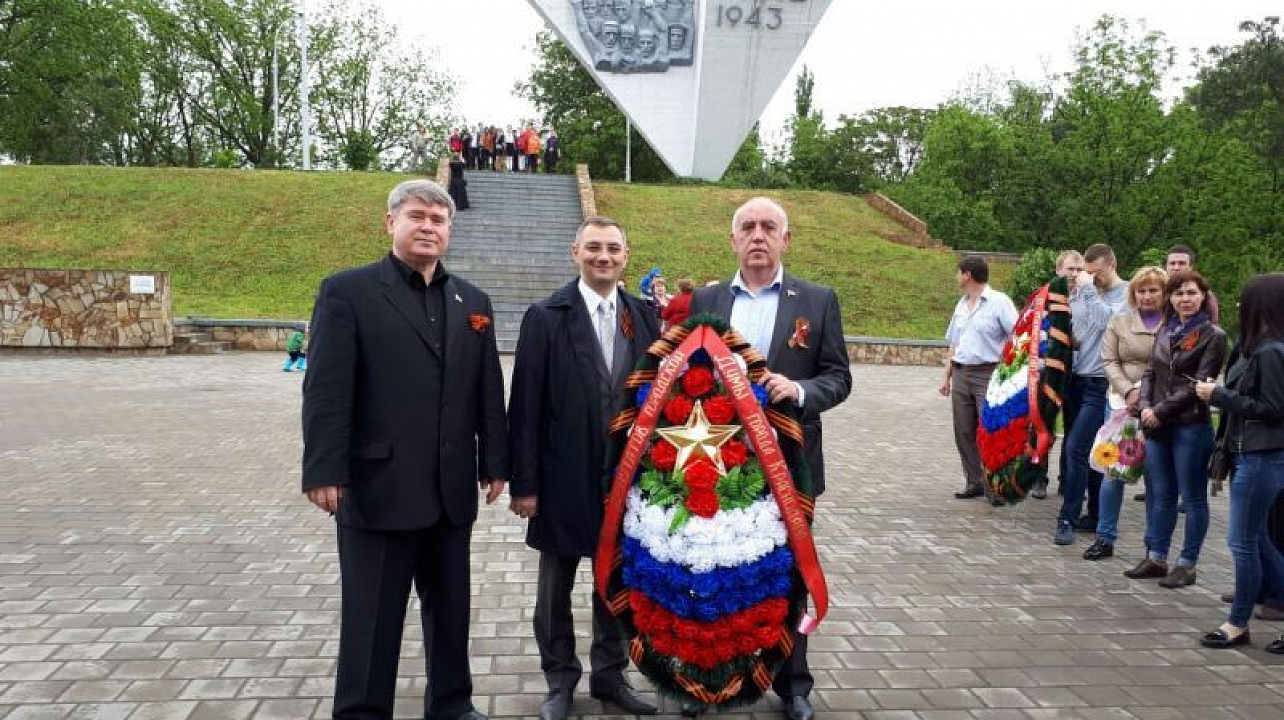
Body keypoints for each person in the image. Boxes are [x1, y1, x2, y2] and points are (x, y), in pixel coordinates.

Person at [301, 179, 507, 720]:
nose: (428, 227)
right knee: (371, 618)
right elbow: (326, 388)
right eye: (417, 216)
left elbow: (488, 388)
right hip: (379, 488)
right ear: (390, 223)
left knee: (450, 612)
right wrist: (325, 468)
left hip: (449, 490)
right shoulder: (349, 292)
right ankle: (362, 712)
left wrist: (496, 464)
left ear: (449, 232)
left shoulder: (473, 301)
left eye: (439, 220)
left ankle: (452, 705)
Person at [689, 197, 852, 720]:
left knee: (790, 574)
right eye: (747, 227)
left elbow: (838, 377)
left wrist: (799, 391)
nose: (758, 235)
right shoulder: (706, 300)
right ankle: (705, 679)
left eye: (769, 227)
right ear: (733, 238)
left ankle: (793, 684)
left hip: (791, 464)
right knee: (712, 570)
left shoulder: (819, 300)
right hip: (720, 464)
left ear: (787, 239)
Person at [508, 216, 661, 720]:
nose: (603, 257)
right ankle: (559, 679)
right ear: (576, 252)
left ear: (626, 255)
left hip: (625, 481)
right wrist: (524, 484)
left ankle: (610, 677)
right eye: (593, 247)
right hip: (560, 480)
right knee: (555, 590)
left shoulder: (644, 318)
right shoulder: (547, 315)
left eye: (613, 249)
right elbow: (525, 404)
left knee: (615, 585)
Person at [1122, 270, 1227, 588]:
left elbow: (1200, 383)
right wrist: (1143, 406)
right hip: (1157, 424)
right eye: (1179, 293)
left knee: (1193, 498)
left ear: (1203, 298)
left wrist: (1160, 412)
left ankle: (1187, 564)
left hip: (1189, 426)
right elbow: (1151, 373)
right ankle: (1156, 557)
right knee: (1162, 495)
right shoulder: (1166, 329)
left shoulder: (1214, 336)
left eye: (1192, 293)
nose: (1185, 299)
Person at [1197, 276, 1284, 647]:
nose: (1237, 308)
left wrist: (1218, 395)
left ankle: (1237, 623)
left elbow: (1273, 409)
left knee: (1243, 542)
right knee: (1259, 540)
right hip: (1249, 454)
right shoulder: (1256, 348)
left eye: (1244, 301)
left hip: (1262, 457)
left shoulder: (1272, 352)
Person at [1083, 266, 1167, 561]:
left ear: (1164, 293)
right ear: (1133, 294)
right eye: (1141, 290)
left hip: (1159, 408)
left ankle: (1154, 545)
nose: (1147, 296)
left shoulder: (1174, 325)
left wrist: (1146, 397)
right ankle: (1105, 537)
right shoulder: (1119, 321)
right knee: (1113, 474)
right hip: (1121, 404)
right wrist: (1130, 392)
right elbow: (1109, 360)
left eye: (1153, 290)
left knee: (1157, 479)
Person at [1054, 244, 1129, 546]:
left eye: (1094, 272)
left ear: (1111, 264)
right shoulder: (1085, 292)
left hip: (1102, 384)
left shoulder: (1126, 295)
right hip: (1077, 378)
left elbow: (1106, 323)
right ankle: (1095, 512)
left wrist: (1086, 291)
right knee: (1088, 448)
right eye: (1087, 272)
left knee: (1076, 448)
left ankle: (1067, 518)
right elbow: (1082, 331)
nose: (1089, 277)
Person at [940, 255, 1018, 503]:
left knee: (991, 430)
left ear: (968, 275)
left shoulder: (999, 302)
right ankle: (973, 480)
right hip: (962, 372)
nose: (956, 277)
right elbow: (955, 342)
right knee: (963, 430)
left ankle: (995, 485)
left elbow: (1016, 336)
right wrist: (947, 377)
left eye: (958, 272)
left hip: (988, 373)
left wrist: (1009, 372)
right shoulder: (961, 305)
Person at [1044, 249, 1086, 499]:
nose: (1074, 274)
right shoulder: (1045, 298)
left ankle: (1066, 478)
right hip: (1050, 372)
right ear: (1058, 270)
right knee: (1045, 422)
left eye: (1079, 269)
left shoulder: (1087, 297)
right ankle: (1039, 477)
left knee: (1073, 427)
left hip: (1079, 372)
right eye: (1070, 269)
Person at [1166, 244, 1219, 324]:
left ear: (1191, 267)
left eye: (1181, 263)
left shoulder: (1205, 295)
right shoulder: (1159, 291)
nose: (1176, 268)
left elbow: (1213, 324)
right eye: (1172, 263)